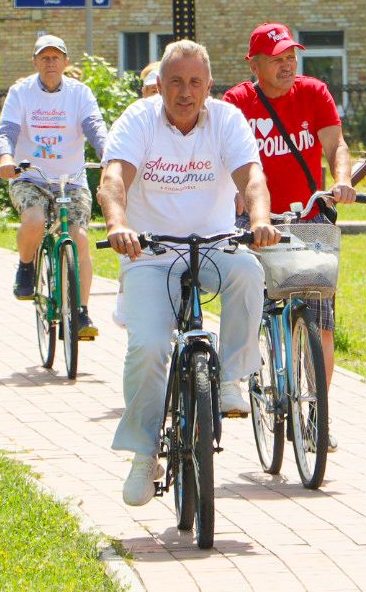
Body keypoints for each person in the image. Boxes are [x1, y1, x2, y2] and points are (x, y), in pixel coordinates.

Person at [98, 39, 277, 506]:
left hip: (214, 243)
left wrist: (259, 219)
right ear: (159, 85)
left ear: (208, 85)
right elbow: (113, 178)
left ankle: (231, 378)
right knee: (148, 346)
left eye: (195, 82)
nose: (185, 91)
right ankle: (144, 456)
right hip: (151, 252)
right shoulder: (138, 120)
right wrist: (118, 224)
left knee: (248, 272)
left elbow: (251, 177)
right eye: (175, 81)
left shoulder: (227, 120)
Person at [221, 22, 356, 403]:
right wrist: (232, 192)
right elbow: (222, 154)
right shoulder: (236, 102)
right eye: (277, 59)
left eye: (291, 57)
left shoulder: (313, 92)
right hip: (254, 220)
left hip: (307, 215)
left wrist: (342, 180)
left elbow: (336, 145)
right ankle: (244, 376)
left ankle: (317, 411)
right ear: (254, 65)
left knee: (320, 316)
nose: (287, 65)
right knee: (248, 301)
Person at [0, 34, 108, 339]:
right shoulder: (21, 92)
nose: (50, 63)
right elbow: (6, 130)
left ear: (65, 61)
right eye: (44, 58)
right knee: (35, 219)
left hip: (71, 179)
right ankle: (26, 265)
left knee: (79, 238)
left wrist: (108, 153)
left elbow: (94, 127)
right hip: (30, 176)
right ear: (35, 62)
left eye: (56, 57)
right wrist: (5, 158)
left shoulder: (79, 93)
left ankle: (81, 312)